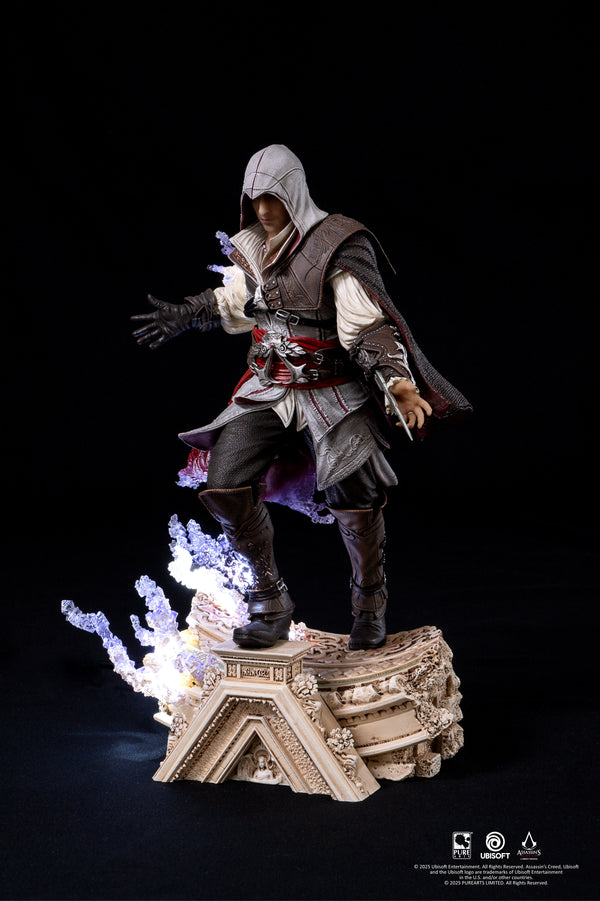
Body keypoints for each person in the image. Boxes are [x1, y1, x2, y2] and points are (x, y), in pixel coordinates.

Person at [131, 144, 472, 652]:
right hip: (268, 388)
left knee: (355, 496)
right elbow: (235, 301)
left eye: (272, 197)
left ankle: (369, 603)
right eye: (254, 200)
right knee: (224, 483)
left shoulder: (336, 244)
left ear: (293, 192)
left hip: (333, 391)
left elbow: (367, 327)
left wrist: (398, 383)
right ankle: (270, 602)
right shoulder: (254, 246)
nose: (263, 210)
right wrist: (189, 313)